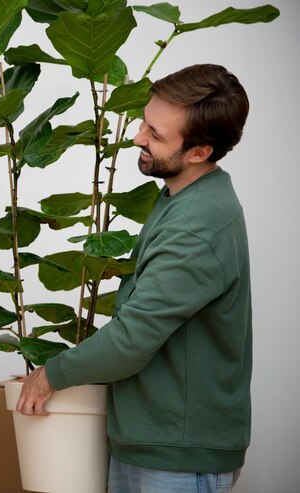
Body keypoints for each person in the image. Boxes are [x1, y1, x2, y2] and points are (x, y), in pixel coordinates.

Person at [16, 64, 252, 493]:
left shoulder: (196, 225)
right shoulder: (183, 198)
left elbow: (131, 341)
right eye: (145, 121)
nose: (138, 136)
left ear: (200, 151)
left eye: (156, 135)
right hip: (154, 446)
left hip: (176, 461)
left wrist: (49, 374)